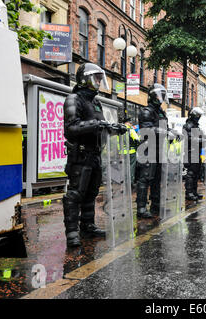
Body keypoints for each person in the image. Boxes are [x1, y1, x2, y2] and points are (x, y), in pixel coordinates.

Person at [62, 63, 127, 247]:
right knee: (75, 194)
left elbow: (101, 125)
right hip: (80, 155)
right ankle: (72, 233)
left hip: (96, 155)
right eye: (96, 78)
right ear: (85, 79)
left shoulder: (95, 102)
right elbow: (71, 128)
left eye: (100, 78)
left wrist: (115, 129)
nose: (99, 82)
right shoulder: (74, 99)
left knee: (91, 193)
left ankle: (88, 226)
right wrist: (96, 125)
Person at [136, 83, 174, 219]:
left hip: (159, 149)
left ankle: (156, 205)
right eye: (160, 95)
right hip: (147, 149)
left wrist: (172, 132)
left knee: (157, 178)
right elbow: (147, 130)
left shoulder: (160, 112)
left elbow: (165, 128)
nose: (161, 98)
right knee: (145, 178)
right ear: (153, 96)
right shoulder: (147, 111)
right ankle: (141, 207)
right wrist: (164, 131)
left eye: (163, 96)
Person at [183, 107, 205, 201]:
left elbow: (201, 137)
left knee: (196, 173)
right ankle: (189, 193)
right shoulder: (188, 125)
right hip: (190, 152)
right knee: (191, 173)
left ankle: (194, 191)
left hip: (197, 151)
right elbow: (190, 138)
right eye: (197, 115)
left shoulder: (197, 126)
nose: (198, 117)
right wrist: (201, 140)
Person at [120, 118, 140, 187]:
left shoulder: (119, 130)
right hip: (131, 152)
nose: (131, 124)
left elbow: (117, 143)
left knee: (124, 167)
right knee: (131, 167)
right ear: (127, 123)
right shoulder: (131, 130)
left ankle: (124, 182)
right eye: (130, 123)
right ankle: (130, 183)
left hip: (122, 152)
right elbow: (137, 139)